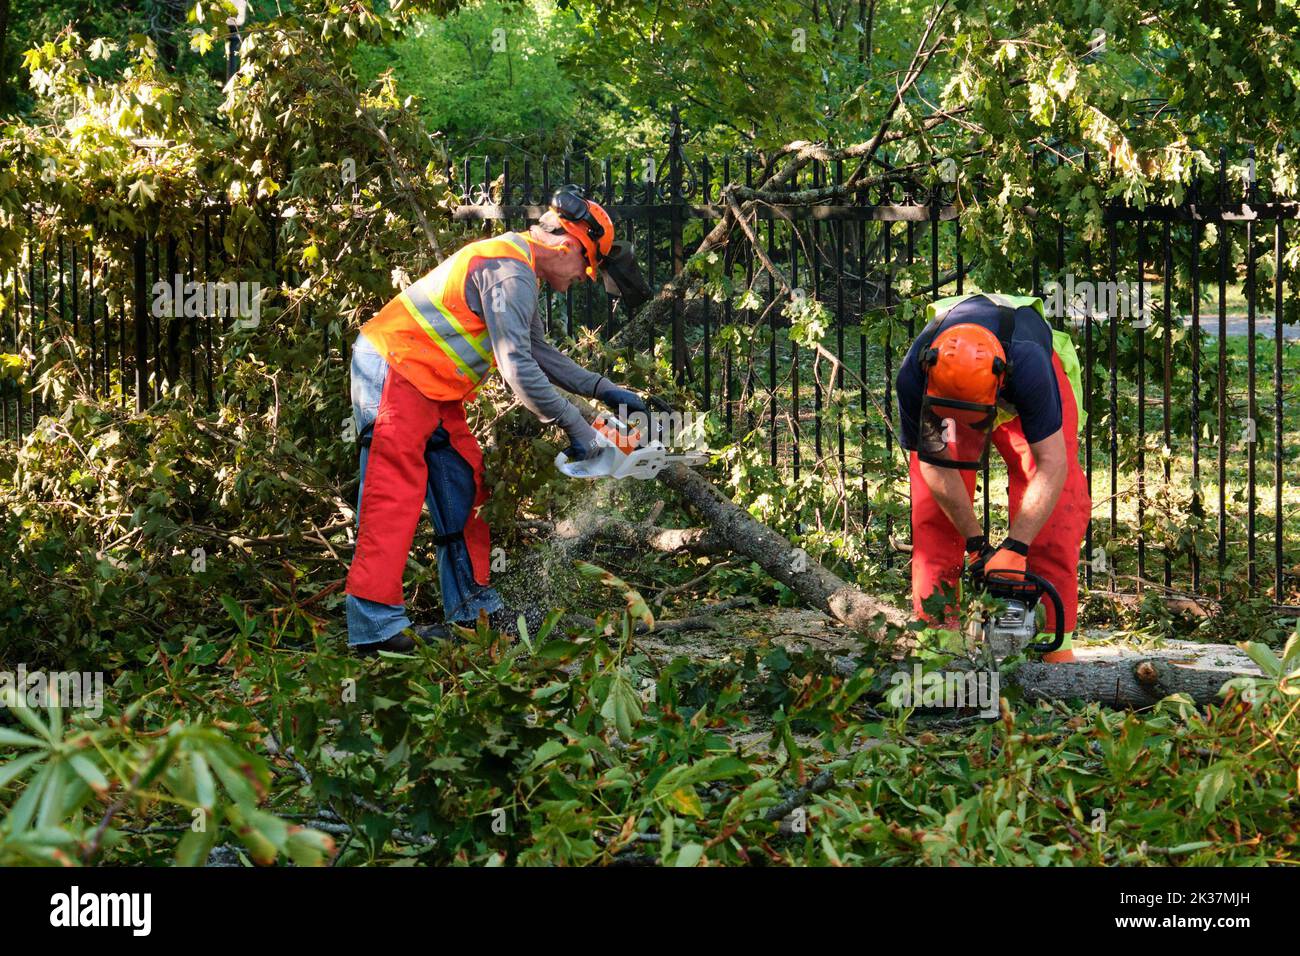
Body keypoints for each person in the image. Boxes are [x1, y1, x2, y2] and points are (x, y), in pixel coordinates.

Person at [345, 187, 653, 654]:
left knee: (466, 487)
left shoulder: (518, 266)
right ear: (569, 246)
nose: (583, 279)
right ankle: (375, 628)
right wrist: (577, 429)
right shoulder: (510, 272)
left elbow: (538, 352)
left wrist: (602, 388)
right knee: (394, 494)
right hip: (395, 369)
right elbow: (518, 369)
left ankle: (472, 609)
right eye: (586, 269)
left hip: (433, 388)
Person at [895, 292, 1090, 663]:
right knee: (932, 509)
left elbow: (1052, 465)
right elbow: (933, 466)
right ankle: (940, 642)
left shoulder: (1030, 366)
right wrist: (976, 545)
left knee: (1060, 507)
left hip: (1023, 368)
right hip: (947, 394)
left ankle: (1054, 646)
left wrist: (1015, 548)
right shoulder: (914, 375)